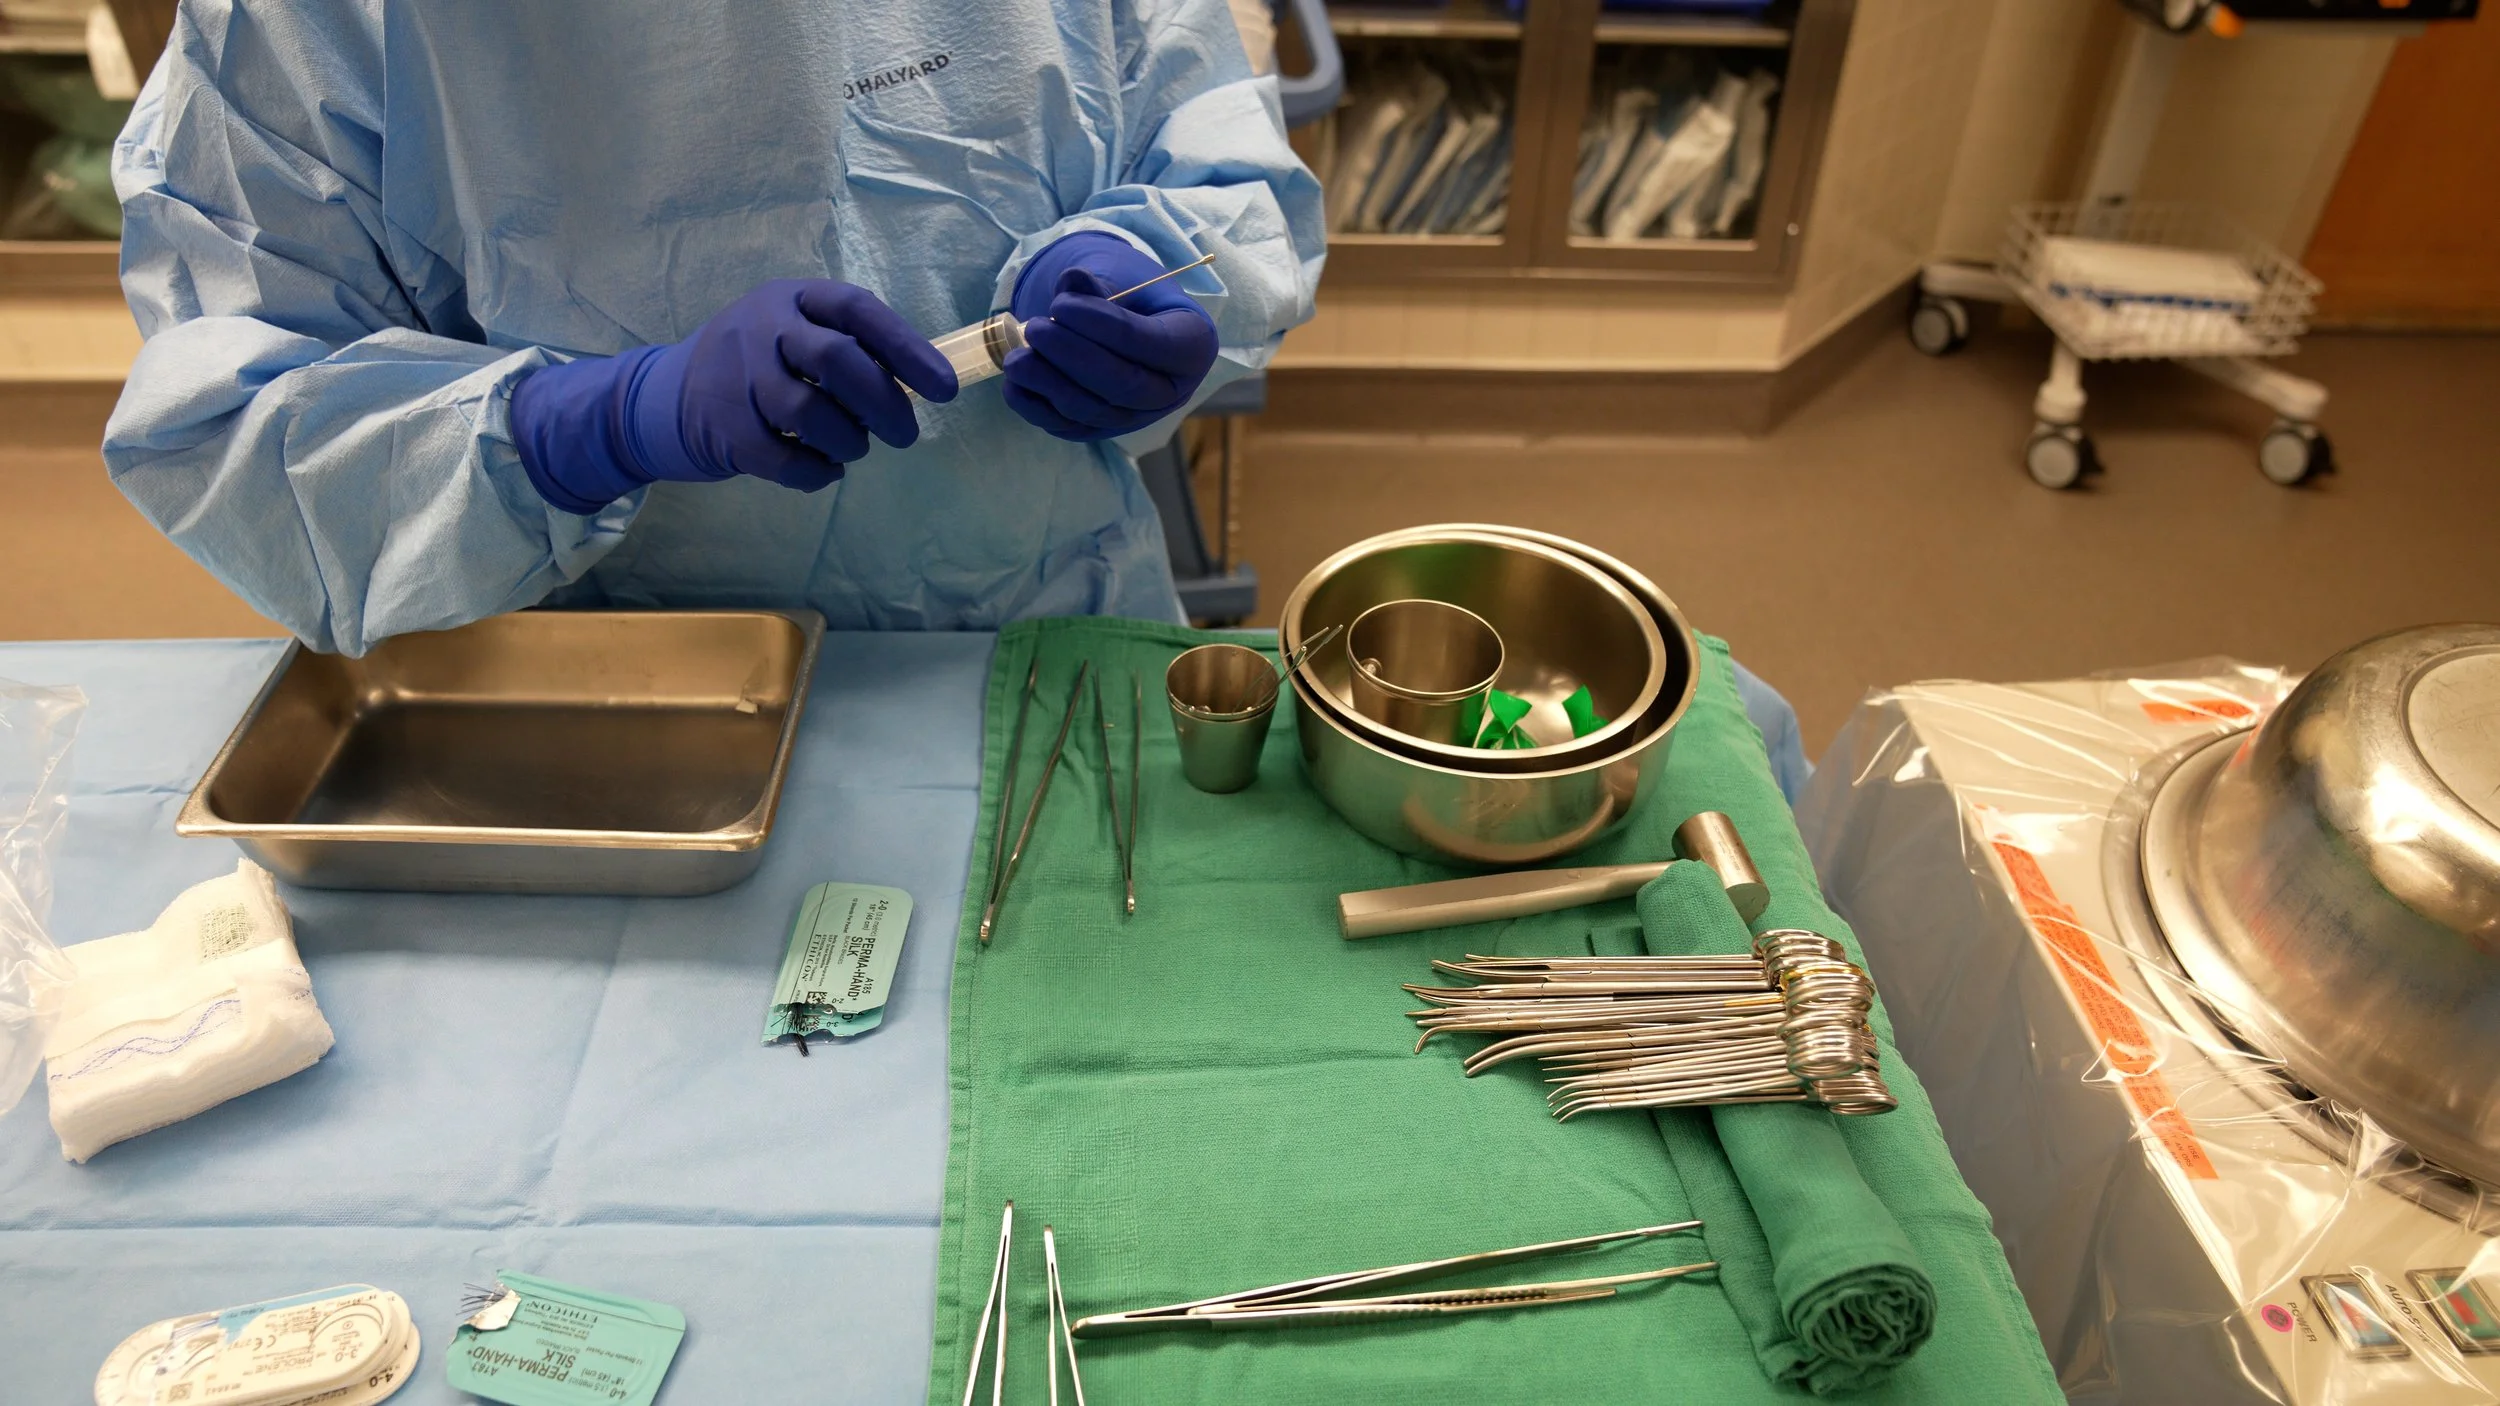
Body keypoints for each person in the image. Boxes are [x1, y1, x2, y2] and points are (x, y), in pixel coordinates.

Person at [101, 3, 1325, 655]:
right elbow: (235, 426)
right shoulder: (322, 21)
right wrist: (583, 427)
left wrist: (1141, 268)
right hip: (604, 703)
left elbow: (1219, 165)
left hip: (1034, 634)